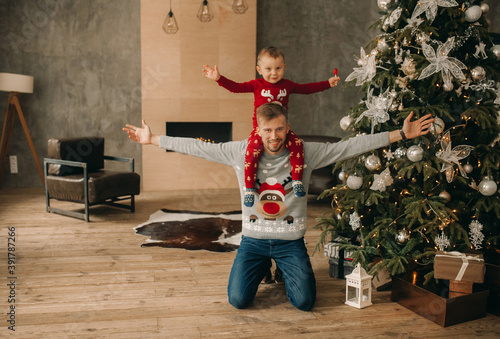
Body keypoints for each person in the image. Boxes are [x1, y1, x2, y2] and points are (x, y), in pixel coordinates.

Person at [123, 102, 433, 311]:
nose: (274, 137)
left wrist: (401, 134)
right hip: (253, 241)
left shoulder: (306, 152)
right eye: (268, 130)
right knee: (238, 300)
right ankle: (261, 269)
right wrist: (153, 140)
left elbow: (348, 146)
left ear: (287, 127)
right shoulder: (239, 151)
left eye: (280, 129)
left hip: (290, 243)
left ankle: (284, 271)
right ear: (258, 129)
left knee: (304, 302)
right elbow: (199, 147)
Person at [203, 46, 340, 208]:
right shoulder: (256, 85)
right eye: (268, 69)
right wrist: (219, 78)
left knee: (297, 145)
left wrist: (327, 84)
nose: (273, 73)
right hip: (260, 131)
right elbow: (236, 87)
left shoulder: (287, 85)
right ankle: (249, 188)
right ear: (259, 70)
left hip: (282, 131)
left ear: (284, 68)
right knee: (251, 152)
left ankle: (296, 180)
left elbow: (307, 89)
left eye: (278, 68)